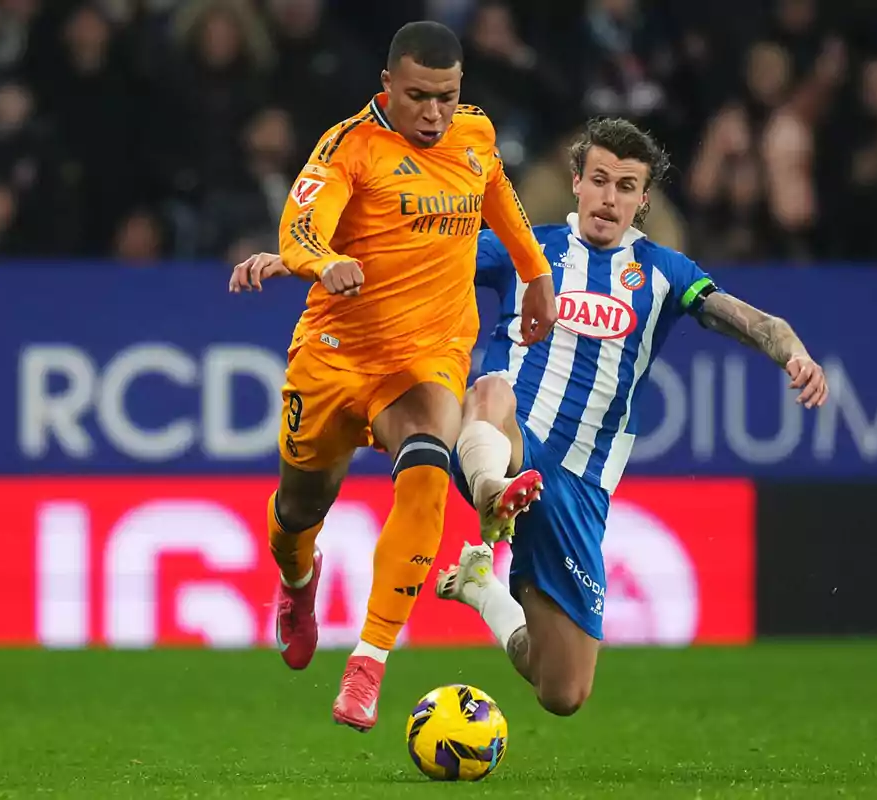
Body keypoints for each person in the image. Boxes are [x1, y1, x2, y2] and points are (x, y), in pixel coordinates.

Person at [232, 117, 828, 719]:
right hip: (501, 440)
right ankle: (492, 493)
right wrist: (307, 260)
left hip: (578, 488)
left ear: (643, 200)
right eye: (598, 180)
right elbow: (407, 260)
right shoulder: (527, 249)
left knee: (561, 690)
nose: (608, 197)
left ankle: (479, 588)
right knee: (490, 388)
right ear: (576, 182)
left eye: (625, 186)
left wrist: (794, 353)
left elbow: (753, 321)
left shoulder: (666, 273)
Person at [229, 21, 557, 733]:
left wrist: (535, 273)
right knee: (297, 514)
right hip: (335, 359)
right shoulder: (350, 146)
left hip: (425, 358)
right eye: (417, 97)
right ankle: (297, 582)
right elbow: (299, 228)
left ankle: (369, 663)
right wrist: (323, 264)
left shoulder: (474, 134)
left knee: (426, 469)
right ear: (387, 87)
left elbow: (496, 190)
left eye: (446, 96)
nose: (434, 114)